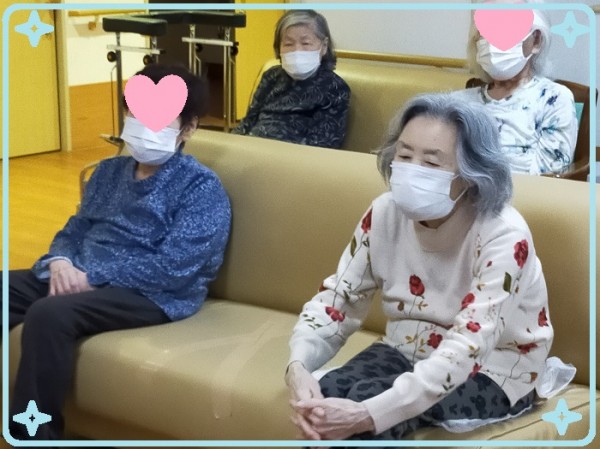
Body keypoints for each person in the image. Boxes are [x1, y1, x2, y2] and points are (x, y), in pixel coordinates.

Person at [285, 92, 561, 444]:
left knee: (370, 408)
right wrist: (298, 366)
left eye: (431, 163)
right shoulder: (384, 212)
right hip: (405, 348)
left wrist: (369, 413)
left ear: (471, 174)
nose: (412, 169)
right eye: (404, 156)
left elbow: (471, 344)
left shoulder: (504, 234)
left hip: (494, 367)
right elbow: (339, 299)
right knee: (328, 394)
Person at [5, 63, 232, 442]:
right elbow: (75, 228)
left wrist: (92, 277)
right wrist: (60, 261)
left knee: (49, 313)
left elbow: (174, 268)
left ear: (189, 128)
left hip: (151, 293)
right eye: (136, 113)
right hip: (81, 273)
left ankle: (33, 437)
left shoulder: (201, 188)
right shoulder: (109, 172)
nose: (144, 124)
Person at [458, 2, 577, 175]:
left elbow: (549, 174)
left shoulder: (554, 99)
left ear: (536, 40)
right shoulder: (458, 102)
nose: (493, 41)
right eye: (484, 32)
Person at [231, 9, 351, 149]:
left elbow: (322, 144)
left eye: (305, 43)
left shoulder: (335, 88)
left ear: (324, 46)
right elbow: (248, 122)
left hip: (293, 157)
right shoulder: (271, 77)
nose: (297, 50)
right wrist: (230, 146)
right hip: (252, 149)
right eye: (288, 44)